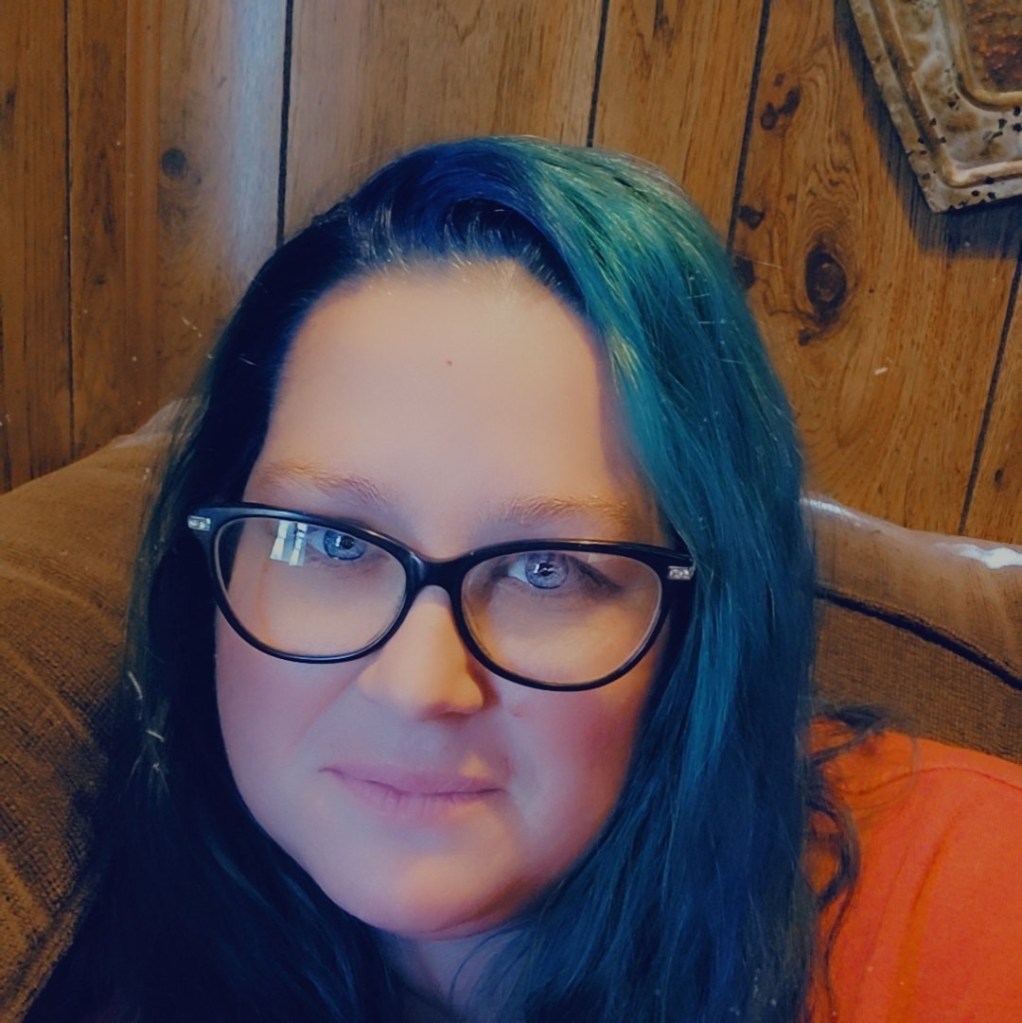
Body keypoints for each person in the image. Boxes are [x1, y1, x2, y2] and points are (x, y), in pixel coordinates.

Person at [29, 136, 1022, 1023]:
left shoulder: (966, 899)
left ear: (699, 625)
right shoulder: (111, 961)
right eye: (330, 543)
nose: (417, 686)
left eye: (547, 570)